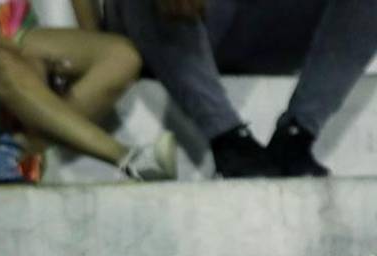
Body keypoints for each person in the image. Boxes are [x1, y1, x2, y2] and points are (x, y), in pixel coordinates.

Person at [0, 0, 178, 179]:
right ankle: (125, 157)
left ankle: (15, 149)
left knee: (121, 57)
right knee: (5, 64)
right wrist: (10, 48)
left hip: (12, 27)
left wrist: (84, 46)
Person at [99, 0, 377, 177]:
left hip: (255, 26)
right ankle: (228, 138)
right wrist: (91, 40)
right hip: (163, 24)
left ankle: (296, 134)